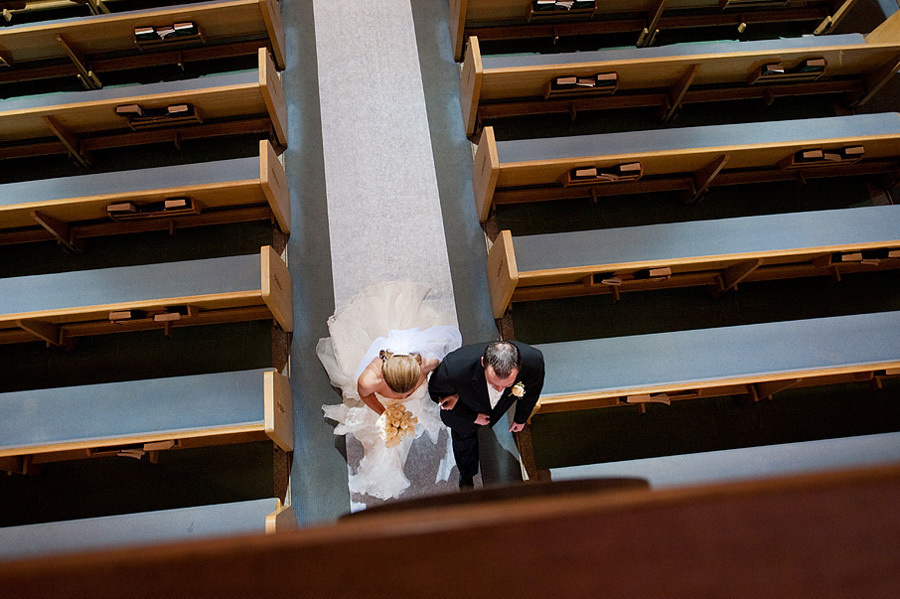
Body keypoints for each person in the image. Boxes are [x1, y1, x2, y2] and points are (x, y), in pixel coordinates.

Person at [317, 282, 462, 501]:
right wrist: (384, 414)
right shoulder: (368, 380)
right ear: (384, 376)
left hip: (412, 402)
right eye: (399, 391)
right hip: (382, 406)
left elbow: (449, 366)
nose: (402, 397)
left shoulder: (428, 361)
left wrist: (451, 394)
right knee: (381, 445)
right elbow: (366, 396)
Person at [428, 340, 545, 489]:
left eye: (507, 385)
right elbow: (435, 394)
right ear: (483, 362)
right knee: (463, 441)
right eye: (494, 383)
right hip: (464, 414)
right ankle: (467, 474)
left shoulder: (534, 362)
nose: (499, 390)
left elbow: (532, 392)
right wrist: (472, 416)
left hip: (496, 410)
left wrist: (521, 418)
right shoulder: (454, 367)